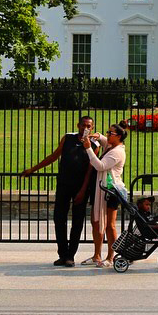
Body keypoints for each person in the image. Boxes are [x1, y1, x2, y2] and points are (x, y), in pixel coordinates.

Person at [21, 113, 99, 266]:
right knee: (59, 218)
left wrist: (83, 190)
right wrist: (33, 169)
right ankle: (62, 254)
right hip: (64, 184)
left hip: (81, 187)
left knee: (77, 222)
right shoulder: (68, 139)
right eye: (83, 125)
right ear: (78, 126)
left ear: (92, 128)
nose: (85, 128)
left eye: (89, 126)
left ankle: (71, 255)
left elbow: (90, 170)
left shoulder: (94, 146)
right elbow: (54, 156)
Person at [85, 120, 129, 268]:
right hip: (102, 189)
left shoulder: (117, 152)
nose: (108, 135)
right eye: (108, 132)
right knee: (96, 222)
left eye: (111, 133)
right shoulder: (111, 145)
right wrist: (98, 136)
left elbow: (101, 166)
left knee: (110, 225)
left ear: (118, 137)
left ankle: (111, 257)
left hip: (112, 191)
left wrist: (88, 149)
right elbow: (104, 140)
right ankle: (96, 255)